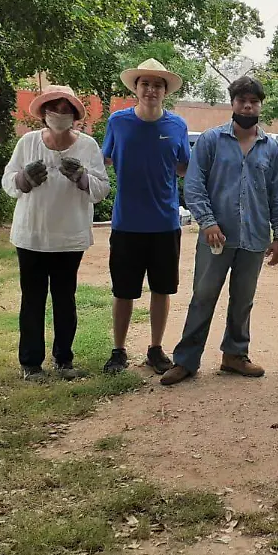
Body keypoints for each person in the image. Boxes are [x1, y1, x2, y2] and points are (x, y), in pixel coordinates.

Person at [162, 77, 278, 386]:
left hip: (254, 237)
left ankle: (235, 355)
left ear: (260, 105)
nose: (248, 105)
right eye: (242, 100)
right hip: (215, 237)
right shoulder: (210, 140)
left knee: (243, 299)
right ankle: (186, 360)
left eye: (254, 101)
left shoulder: (271, 148)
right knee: (203, 297)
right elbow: (194, 185)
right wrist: (207, 221)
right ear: (232, 103)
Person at [1, 85, 111, 382]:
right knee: (32, 299)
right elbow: (8, 182)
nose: (60, 114)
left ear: (75, 115)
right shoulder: (28, 143)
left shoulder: (87, 146)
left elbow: (102, 189)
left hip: (69, 236)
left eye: (66, 110)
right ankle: (31, 363)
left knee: (65, 299)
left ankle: (64, 359)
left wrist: (81, 177)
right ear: (44, 113)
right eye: (55, 108)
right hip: (31, 235)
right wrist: (24, 178)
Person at [101, 59, 190, 375]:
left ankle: (155, 349)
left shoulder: (177, 126)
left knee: (162, 289)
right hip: (126, 222)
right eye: (145, 84)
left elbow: (184, 166)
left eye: (157, 85)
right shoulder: (118, 122)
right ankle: (119, 350)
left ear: (165, 91)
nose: (151, 90)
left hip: (165, 222)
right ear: (136, 89)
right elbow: (105, 160)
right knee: (123, 290)